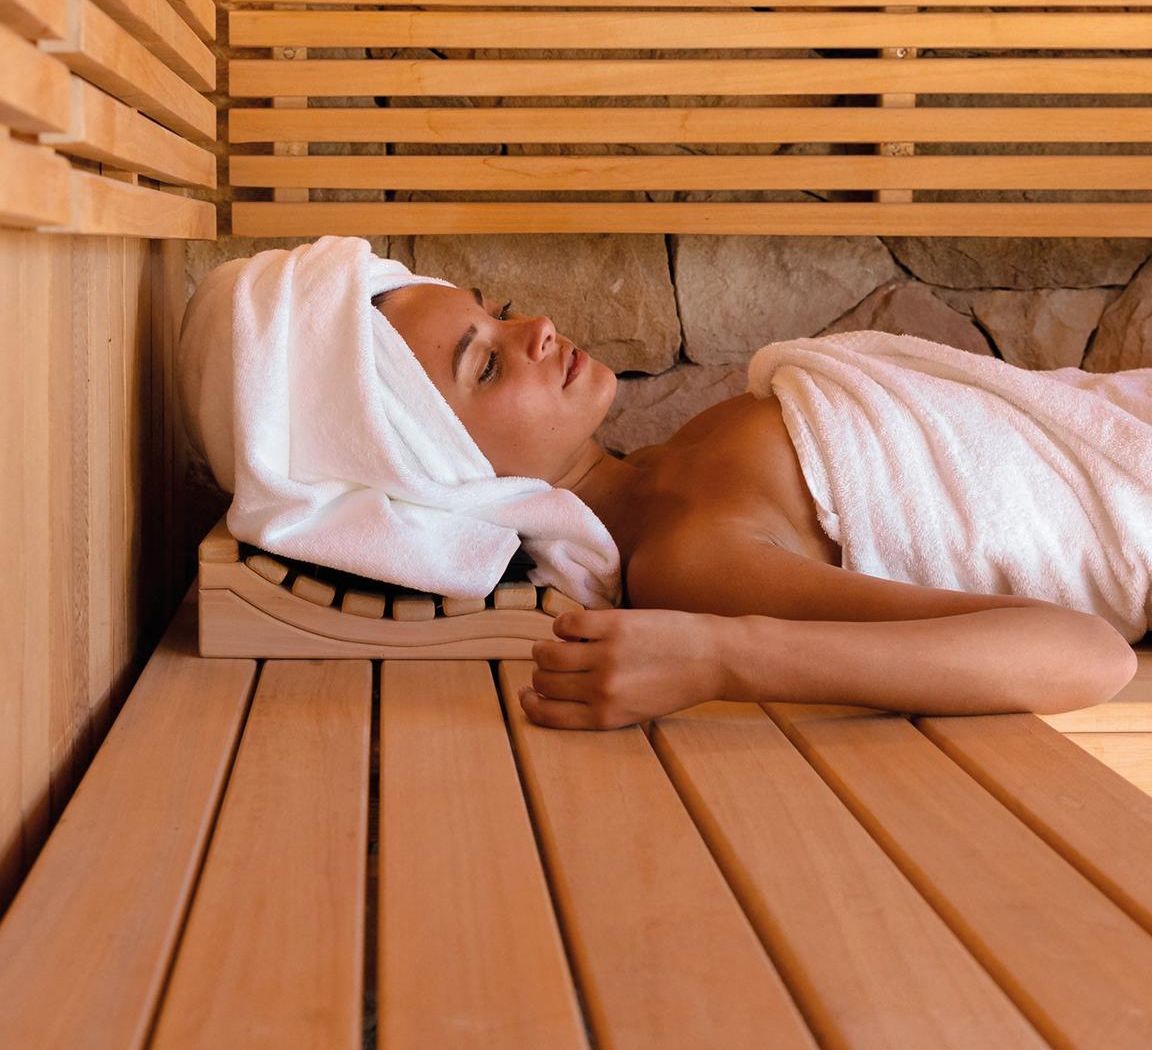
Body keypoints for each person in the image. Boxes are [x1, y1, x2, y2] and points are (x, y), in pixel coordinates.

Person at [372, 280, 1141, 731]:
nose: (536, 329)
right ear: (445, 468)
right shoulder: (690, 563)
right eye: (488, 363)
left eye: (498, 309)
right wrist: (722, 656)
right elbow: (1089, 655)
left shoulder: (678, 455)